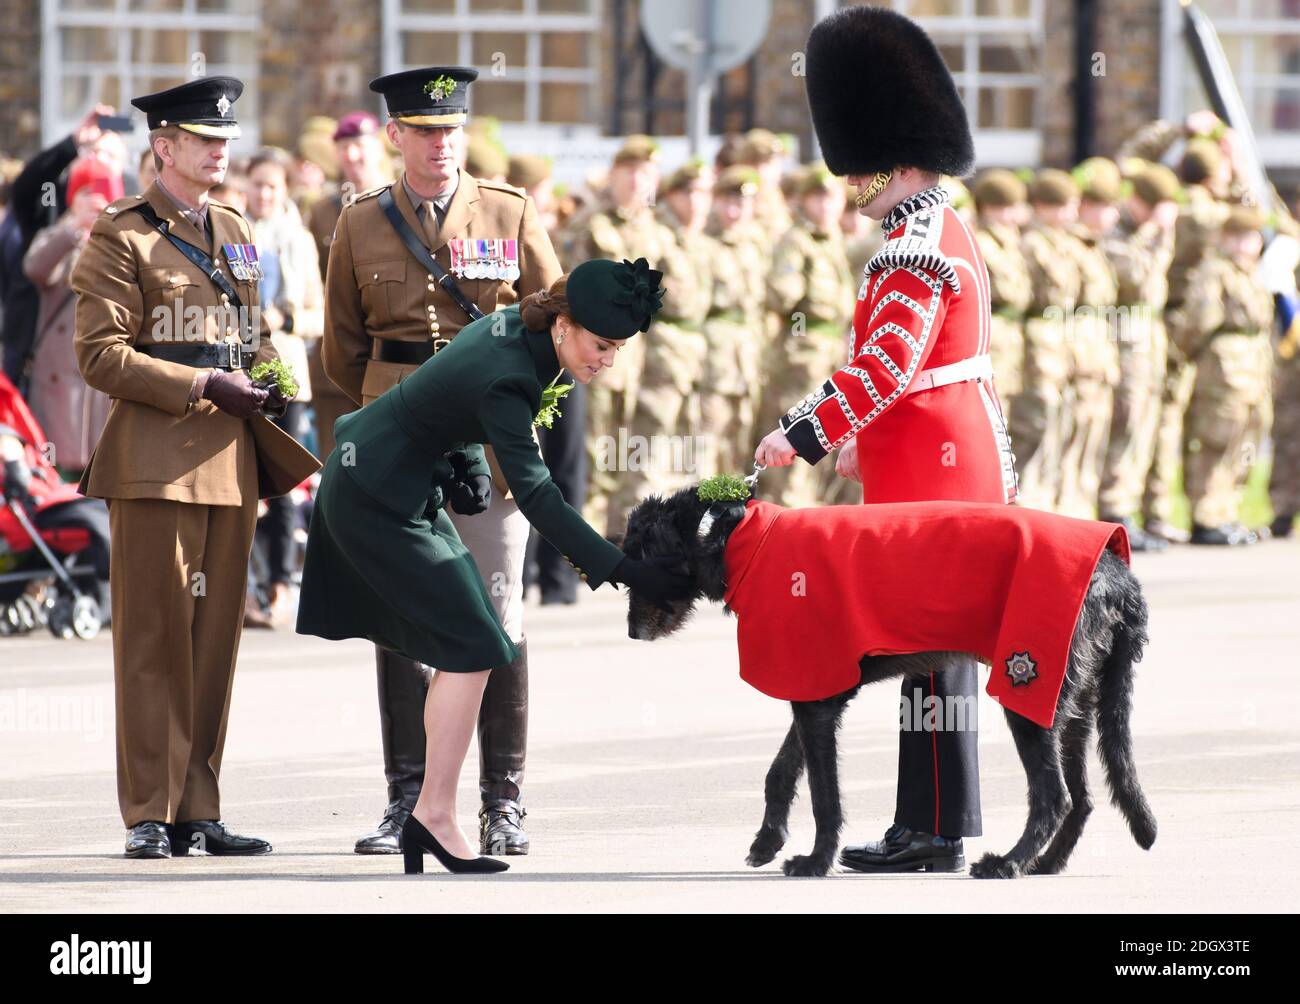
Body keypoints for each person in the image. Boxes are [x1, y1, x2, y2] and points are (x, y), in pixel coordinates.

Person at [297, 259, 690, 873]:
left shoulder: (519, 328)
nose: (608, 360)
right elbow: (538, 495)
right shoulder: (515, 372)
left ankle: (430, 815)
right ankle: (431, 816)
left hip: (398, 482)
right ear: (564, 324)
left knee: (474, 643)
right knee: (474, 645)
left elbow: (445, 391)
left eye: (618, 349)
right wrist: (622, 570)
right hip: (375, 496)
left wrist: (469, 466)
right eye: (602, 344)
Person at [755, 5, 1015, 874]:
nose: (851, 184)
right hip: (930, 447)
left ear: (899, 163)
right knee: (923, 647)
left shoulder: (914, 246)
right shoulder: (932, 226)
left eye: (863, 170)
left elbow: (884, 370)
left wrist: (805, 433)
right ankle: (928, 822)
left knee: (933, 646)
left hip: (934, 455)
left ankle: (936, 828)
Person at [70, 76, 319, 859]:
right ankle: (149, 807)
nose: (221, 152)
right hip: (153, 459)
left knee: (215, 641)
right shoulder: (121, 232)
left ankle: (198, 808)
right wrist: (202, 384)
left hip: (231, 460)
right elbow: (99, 354)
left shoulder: (238, 227)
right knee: (152, 638)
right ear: (164, 147)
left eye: (226, 141)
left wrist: (274, 381)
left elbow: (256, 329)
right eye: (206, 141)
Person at [321, 66, 561, 857]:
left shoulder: (508, 211)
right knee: (402, 622)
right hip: (397, 440)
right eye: (424, 131)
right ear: (395, 135)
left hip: (488, 445)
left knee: (498, 616)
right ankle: (407, 800)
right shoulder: (359, 222)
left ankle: (504, 802)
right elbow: (342, 348)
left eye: (451, 130)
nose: (439, 144)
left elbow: (560, 319)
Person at [560, 135, 673, 538]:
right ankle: (583, 540)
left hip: (636, 360)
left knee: (623, 448)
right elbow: (568, 289)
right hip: (594, 353)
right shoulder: (592, 224)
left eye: (647, 174)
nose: (639, 182)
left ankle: (614, 536)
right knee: (592, 448)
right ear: (615, 174)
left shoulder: (655, 229)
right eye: (632, 172)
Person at [246, 146, 325, 621]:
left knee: (282, 486)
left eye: (272, 185)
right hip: (236, 372)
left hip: (286, 375)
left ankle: (279, 582)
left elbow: (318, 316)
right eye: (257, 184)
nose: (264, 194)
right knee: (240, 485)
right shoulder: (228, 231)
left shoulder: (298, 240)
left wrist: (286, 316)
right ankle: (240, 587)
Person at [1169, 205, 1274, 544]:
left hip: (1253, 367)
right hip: (1224, 369)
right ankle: (1206, 514)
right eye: (1240, 237)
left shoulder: (1252, 273)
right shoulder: (1216, 271)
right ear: (1226, 238)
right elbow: (1199, 321)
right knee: (1216, 441)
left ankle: (1227, 510)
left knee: (1245, 443)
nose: (1248, 245)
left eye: (1253, 238)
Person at [760, 163, 855, 508]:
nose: (825, 206)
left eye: (831, 198)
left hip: (831, 351)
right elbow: (780, 297)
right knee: (797, 440)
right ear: (803, 202)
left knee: (824, 443)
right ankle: (783, 517)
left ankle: (808, 515)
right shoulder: (797, 241)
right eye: (817, 198)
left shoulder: (834, 241)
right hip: (802, 353)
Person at [1097, 162, 1180, 549]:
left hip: (1149, 343)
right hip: (1125, 342)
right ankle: (1115, 508)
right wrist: (1158, 234)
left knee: (1146, 426)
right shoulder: (1116, 236)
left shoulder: (1148, 235)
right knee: (1126, 423)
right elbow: (1138, 278)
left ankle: (1130, 506)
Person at [22, 157, 121, 475]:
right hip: (59, 375)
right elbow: (36, 269)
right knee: (57, 469)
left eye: (103, 192)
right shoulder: (58, 237)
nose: (95, 201)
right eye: (85, 192)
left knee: (102, 468)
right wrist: (72, 233)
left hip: (103, 369)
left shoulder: (120, 245)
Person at [303, 112, 392, 461]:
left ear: (380, 147)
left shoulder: (404, 201)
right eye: (344, 148)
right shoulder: (324, 210)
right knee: (338, 462)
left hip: (394, 355)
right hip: (339, 356)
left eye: (359, 146)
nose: (352, 157)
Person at [1012, 169, 1083, 512]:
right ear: (1044, 206)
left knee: (1061, 425)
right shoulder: (1032, 244)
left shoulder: (1067, 244)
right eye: (1064, 206)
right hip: (1039, 347)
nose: (1071, 214)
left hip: (1063, 342)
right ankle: (1027, 503)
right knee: (1036, 427)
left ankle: (1051, 503)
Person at [971, 169, 1031, 426]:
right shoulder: (982, 244)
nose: (1013, 216)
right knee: (990, 419)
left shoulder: (1010, 243)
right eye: (1005, 207)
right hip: (992, 342)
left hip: (1010, 343)